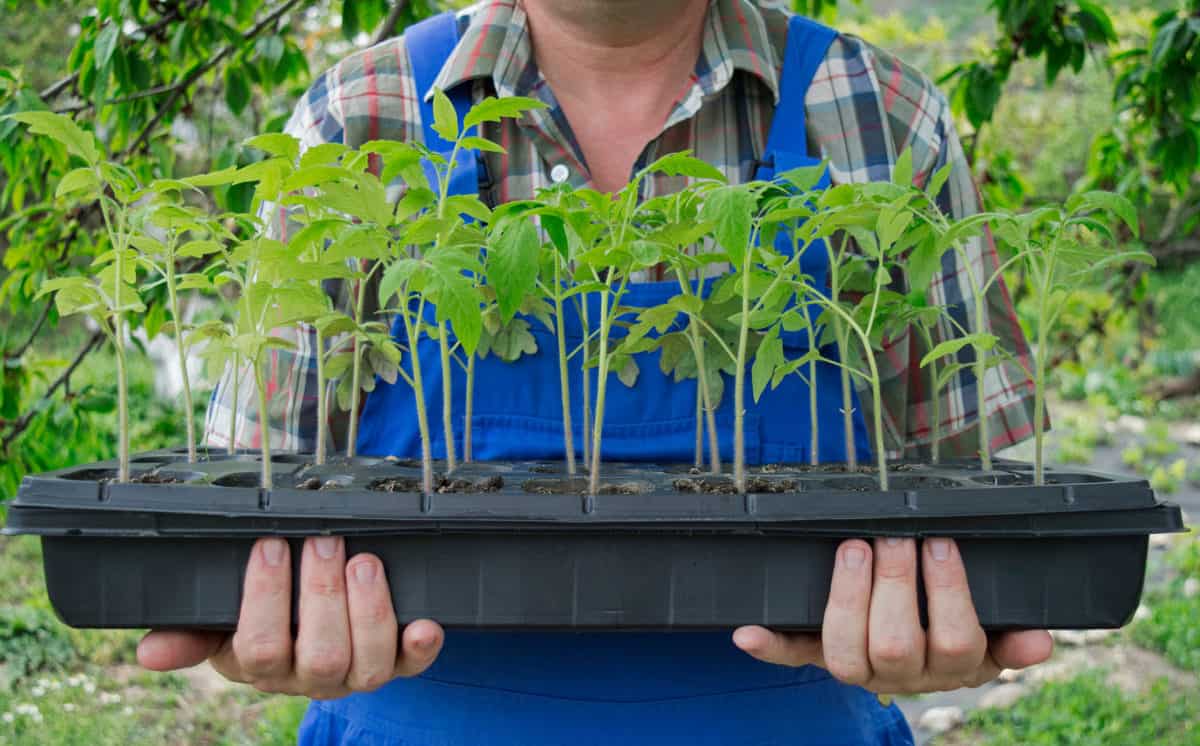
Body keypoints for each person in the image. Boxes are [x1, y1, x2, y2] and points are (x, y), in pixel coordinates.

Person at [137, 0, 1053, 743]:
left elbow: (978, 524)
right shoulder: (358, 119)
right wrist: (256, 609)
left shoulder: (881, 116)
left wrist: (963, 617)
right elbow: (253, 498)